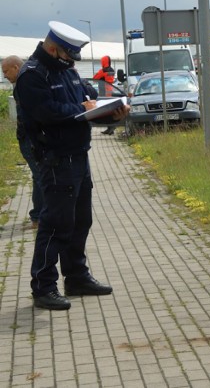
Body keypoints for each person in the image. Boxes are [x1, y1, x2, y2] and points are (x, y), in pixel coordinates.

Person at [15, 21, 130, 311]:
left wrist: (114, 114)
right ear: (52, 49)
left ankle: (76, 277)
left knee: (80, 221)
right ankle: (43, 286)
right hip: (55, 159)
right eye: (67, 55)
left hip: (78, 155)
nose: (70, 61)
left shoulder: (67, 70)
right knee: (55, 226)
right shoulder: (32, 76)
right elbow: (48, 113)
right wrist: (84, 108)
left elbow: (89, 105)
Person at [2, 55, 43, 228]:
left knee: (39, 176)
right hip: (27, 138)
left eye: (6, 71)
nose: (4, 76)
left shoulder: (23, 84)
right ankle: (39, 216)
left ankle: (38, 216)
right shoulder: (21, 85)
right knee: (40, 176)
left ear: (16, 68)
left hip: (29, 138)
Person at [93, 55, 117, 135]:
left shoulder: (103, 70)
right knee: (110, 111)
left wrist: (99, 74)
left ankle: (110, 127)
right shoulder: (112, 70)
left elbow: (95, 78)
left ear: (103, 61)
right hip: (110, 92)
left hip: (103, 93)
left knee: (105, 111)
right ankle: (110, 128)